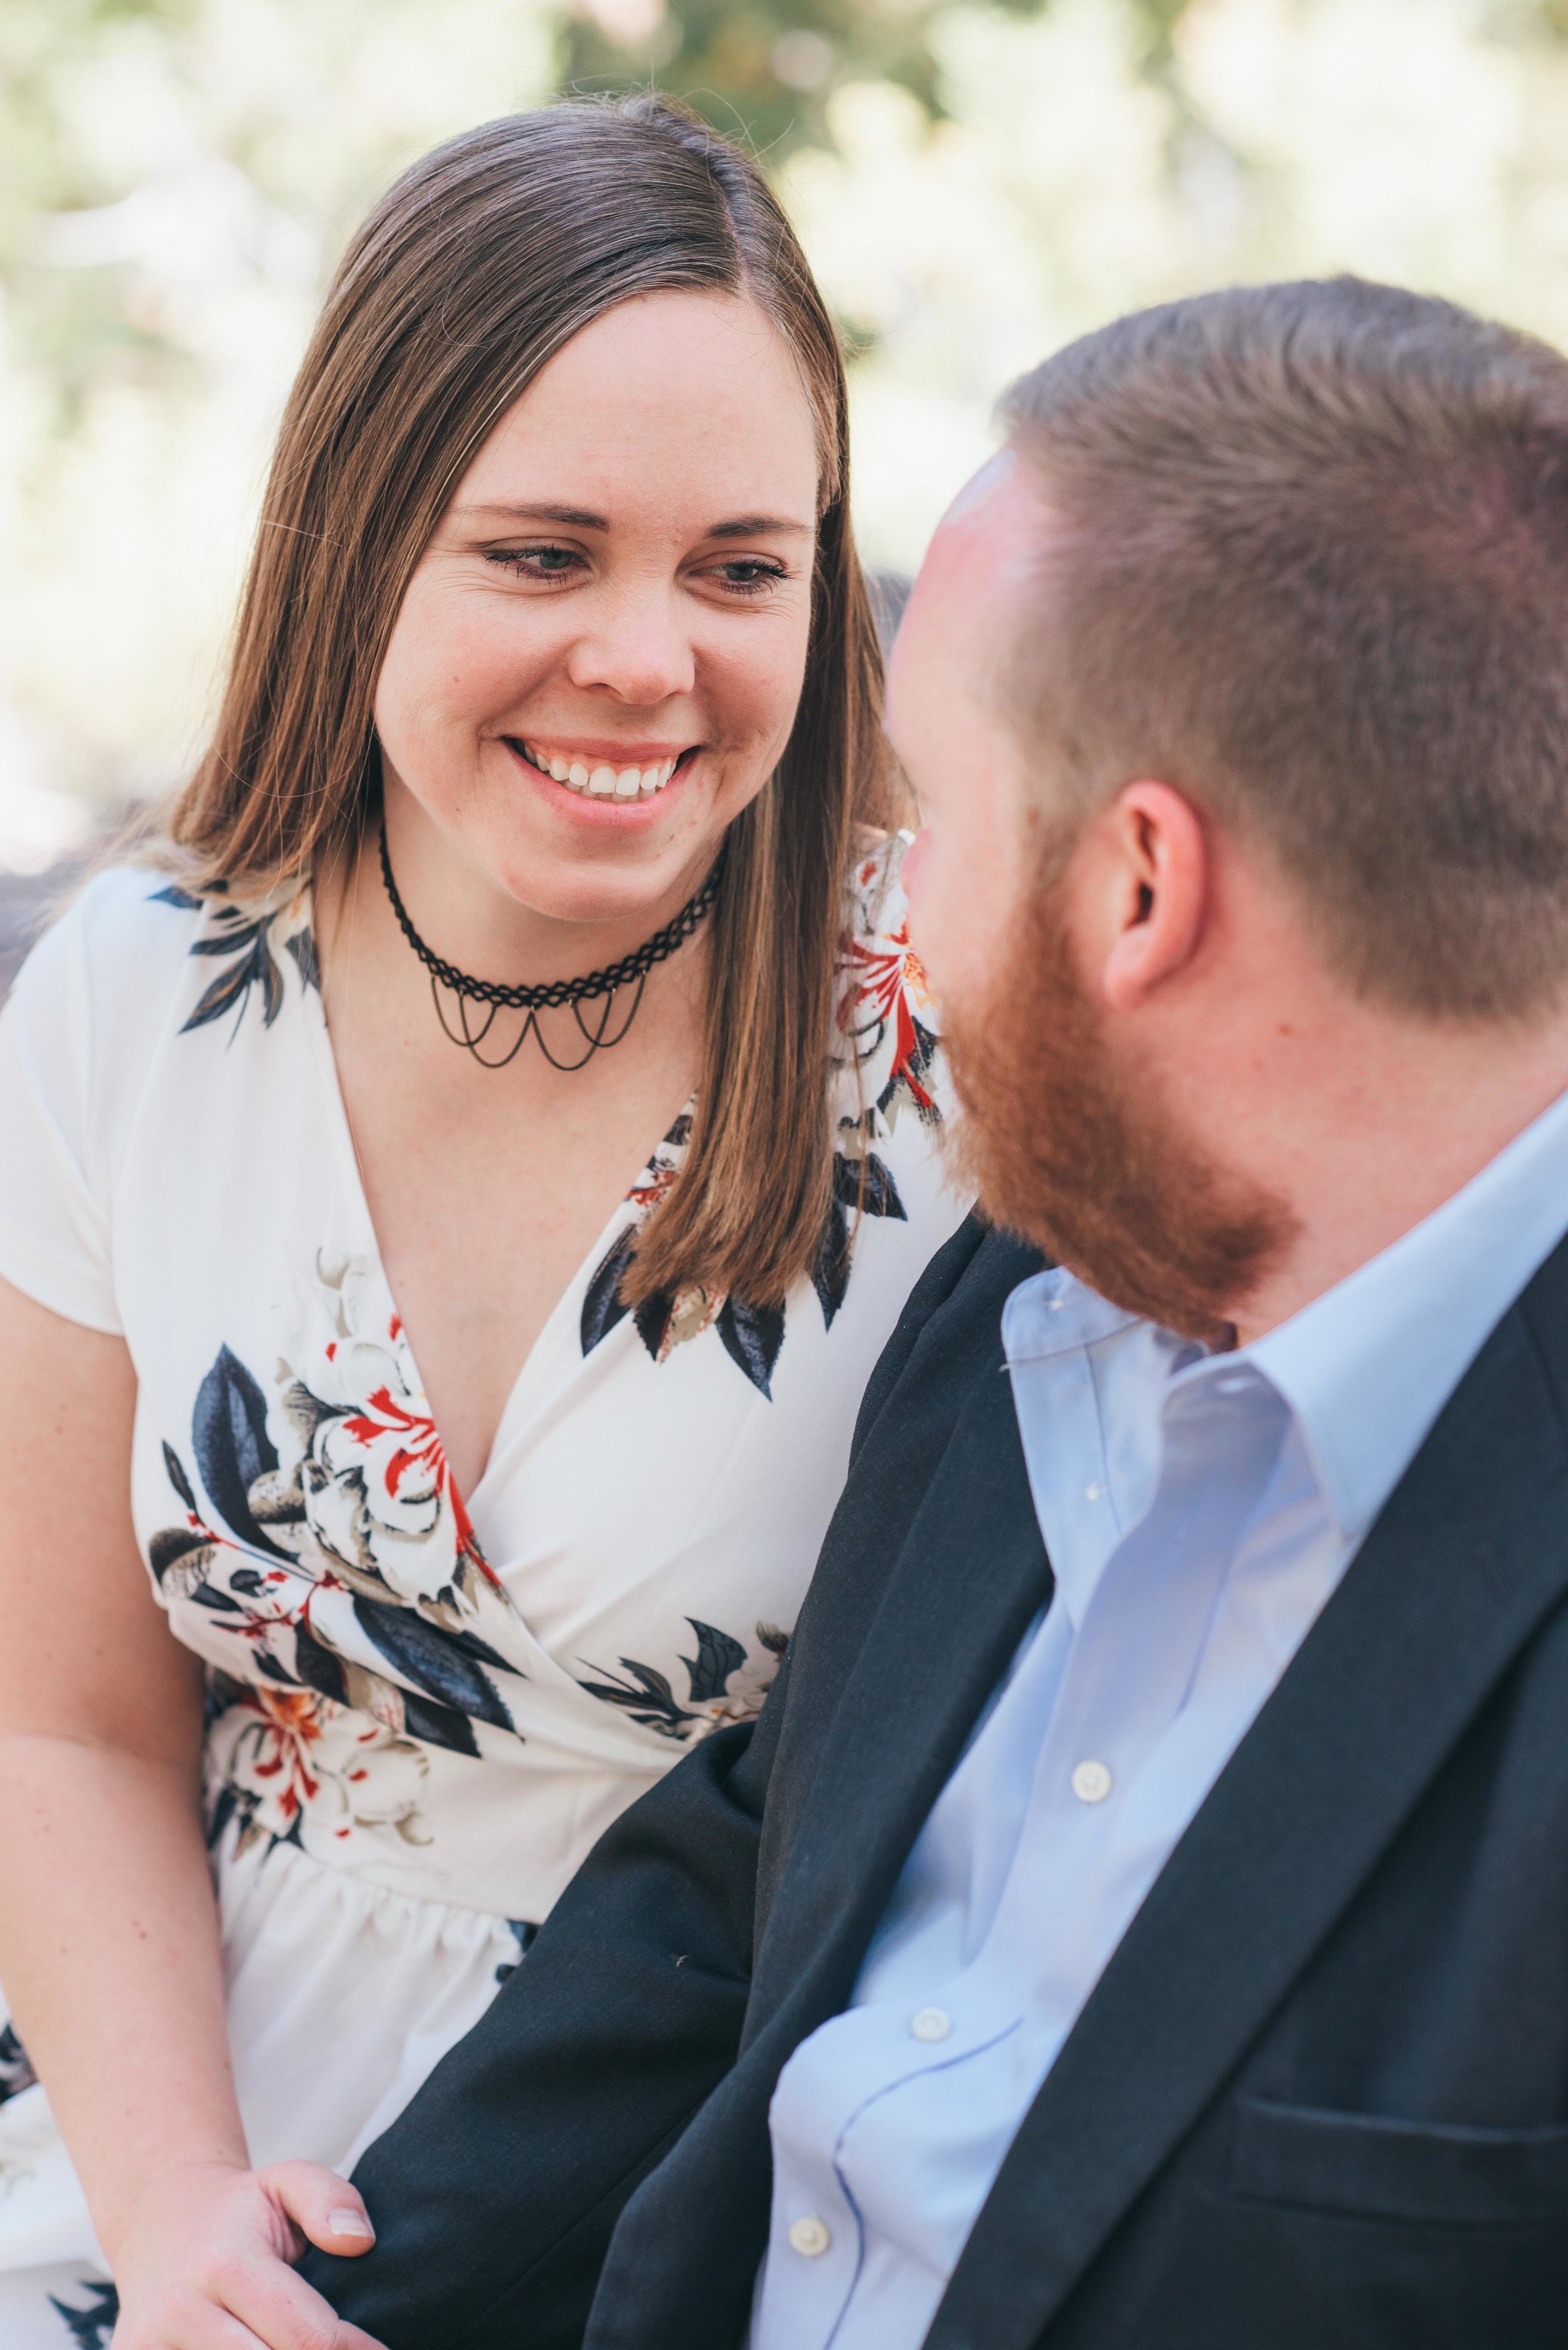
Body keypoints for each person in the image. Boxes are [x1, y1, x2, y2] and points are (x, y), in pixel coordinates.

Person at [304, 274, 1568, 2350]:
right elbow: (759, 1872)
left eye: (931, 821)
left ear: (1137, 891)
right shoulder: (1038, 1284)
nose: (887, 908)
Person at [0, 97, 967, 2350]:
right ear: (357, 541)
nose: (650, 659)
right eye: (543, 554)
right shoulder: (139, 992)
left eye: (741, 568)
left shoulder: (959, 1043)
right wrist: (180, 2224)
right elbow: (66, 1721)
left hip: (686, 2187)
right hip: (161, 2126)